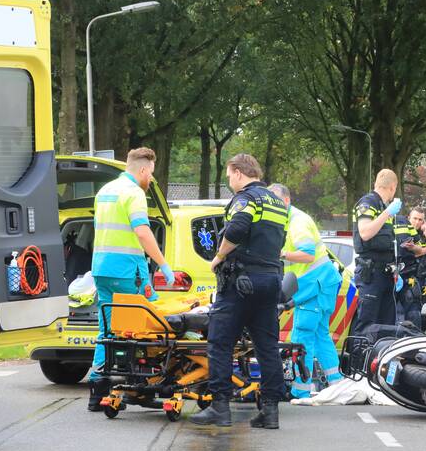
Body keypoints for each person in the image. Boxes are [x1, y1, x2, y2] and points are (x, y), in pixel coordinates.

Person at [190, 154, 289, 429]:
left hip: (240, 281)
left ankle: (219, 407)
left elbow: (238, 227)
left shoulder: (247, 198)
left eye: (228, 174)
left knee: (220, 343)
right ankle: (270, 412)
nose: (228, 180)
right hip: (270, 280)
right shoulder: (277, 203)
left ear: (237, 172)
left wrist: (219, 256)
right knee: (267, 347)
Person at [88, 147, 175, 411]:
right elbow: (142, 231)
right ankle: (140, 390)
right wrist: (162, 264)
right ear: (143, 170)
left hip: (101, 269)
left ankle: (97, 391)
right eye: (151, 175)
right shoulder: (134, 193)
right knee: (144, 329)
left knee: (107, 330)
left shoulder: (105, 191)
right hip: (128, 272)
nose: (150, 180)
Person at [268, 183, 343, 399]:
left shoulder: (297, 222)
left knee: (303, 336)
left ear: (287, 200)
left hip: (314, 286)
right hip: (321, 285)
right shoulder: (292, 220)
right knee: (320, 335)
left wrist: (281, 254)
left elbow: (307, 254)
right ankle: (336, 384)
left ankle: (300, 390)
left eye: (276, 201)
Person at [350, 169, 402, 335]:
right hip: (371, 275)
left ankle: (381, 360)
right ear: (393, 187)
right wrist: (387, 213)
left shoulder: (384, 207)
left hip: (386, 274)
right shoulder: (368, 203)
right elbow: (365, 233)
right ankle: (360, 360)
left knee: (386, 326)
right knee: (367, 326)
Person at [394, 206, 426, 330]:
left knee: (420, 315)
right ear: (408, 218)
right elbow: (411, 252)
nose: (417, 222)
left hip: (421, 279)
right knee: (405, 313)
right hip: (407, 278)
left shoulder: (423, 235)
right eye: (415, 218)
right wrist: (423, 250)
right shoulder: (404, 232)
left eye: (420, 220)